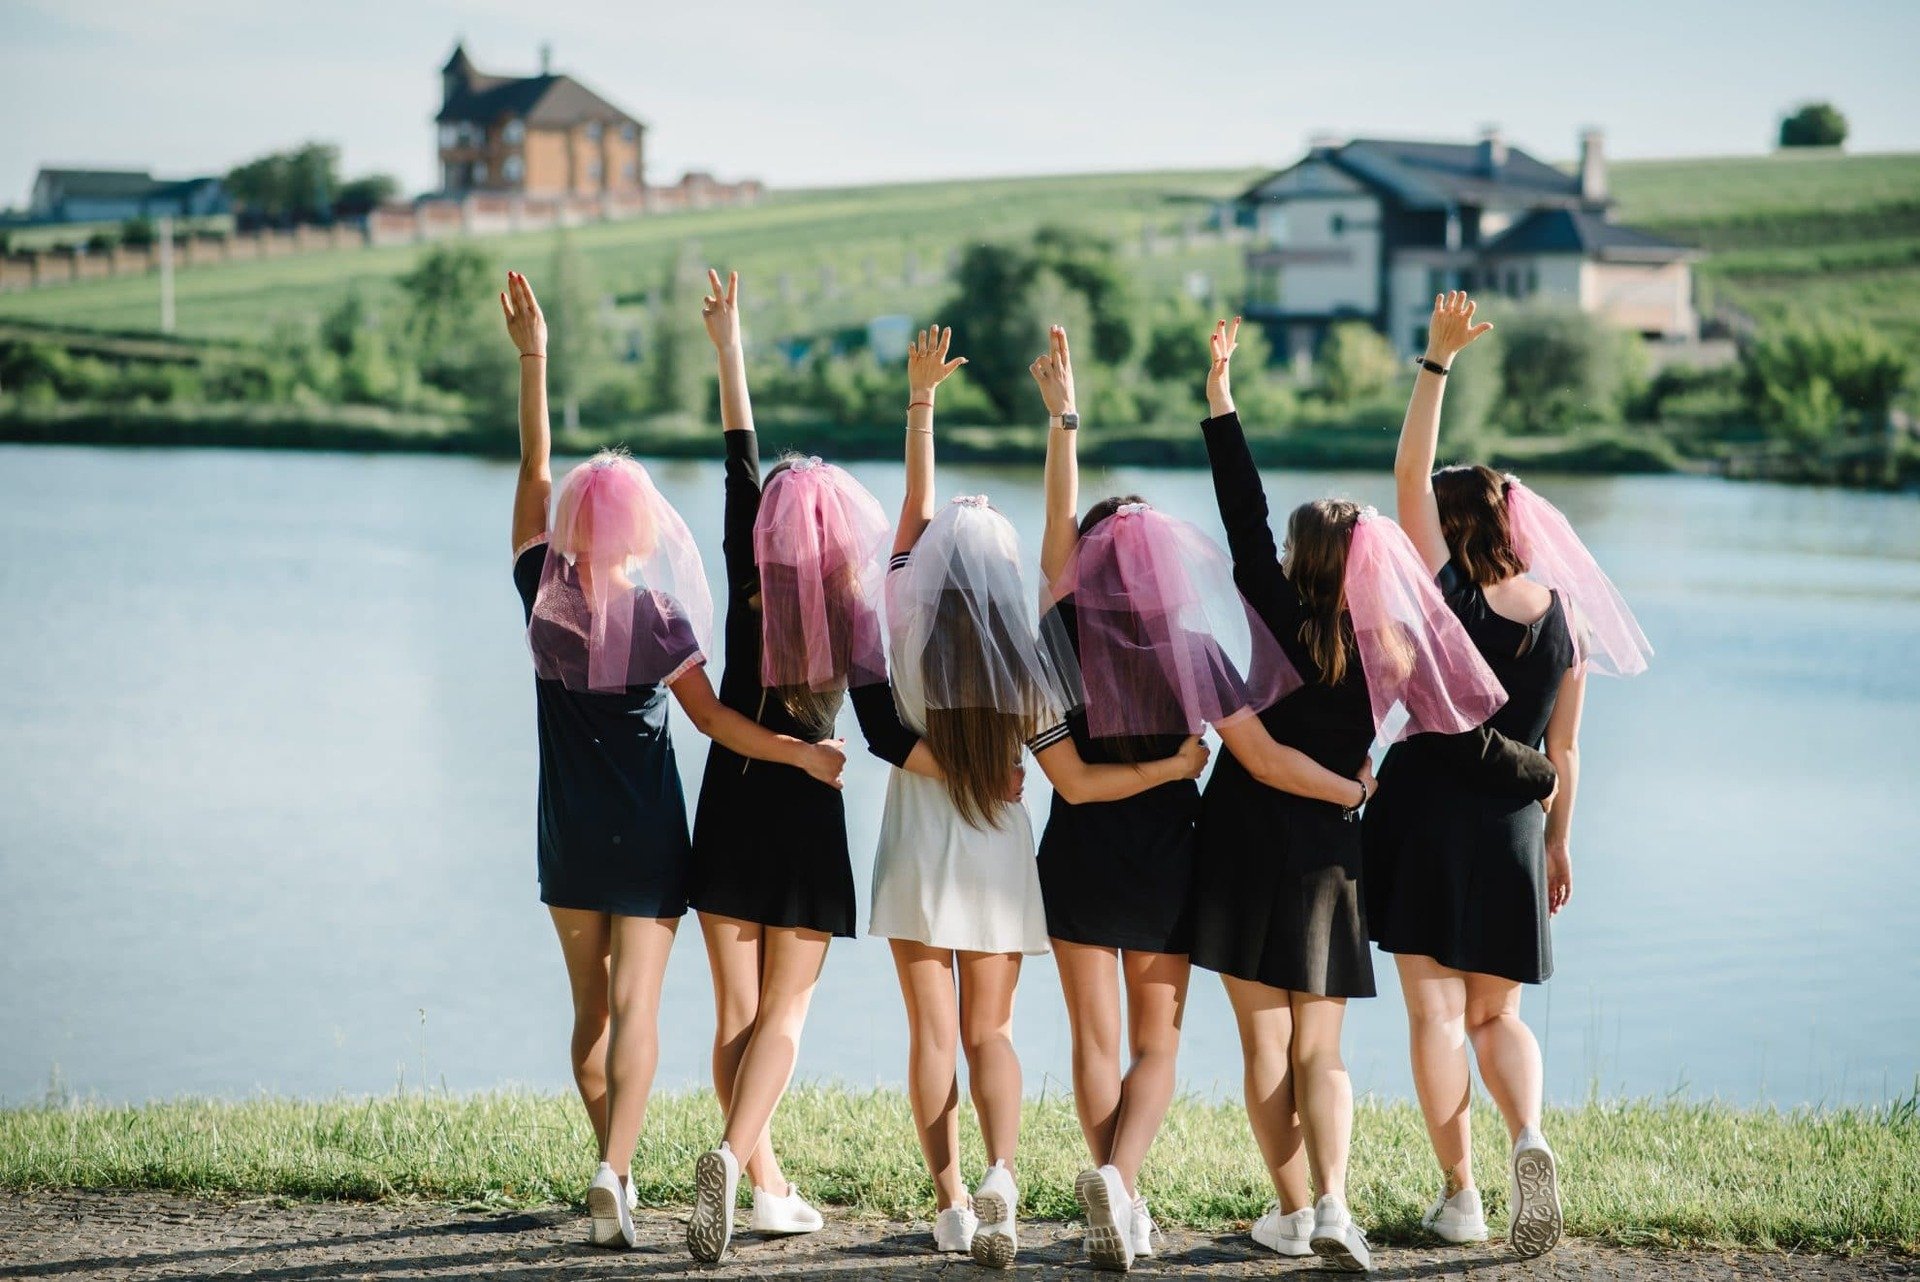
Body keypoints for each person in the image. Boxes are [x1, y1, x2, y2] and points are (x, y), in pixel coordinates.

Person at [1189, 316, 1555, 1273]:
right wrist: (1372, 778)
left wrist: (1221, 399)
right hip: (1328, 846)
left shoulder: (1270, 606)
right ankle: (1337, 1209)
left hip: (1239, 832)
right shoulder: (1392, 643)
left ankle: (1291, 1207)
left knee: (1263, 1047)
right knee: (1324, 1046)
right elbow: (1449, 721)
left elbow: (1241, 511)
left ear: (1299, 561)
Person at [498, 271, 844, 1252]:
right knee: (644, 1006)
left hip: (566, 839)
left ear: (569, 529)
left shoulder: (540, 595)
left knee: (593, 1013)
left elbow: (533, 466)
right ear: (642, 530)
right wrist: (801, 753)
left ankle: (616, 1170)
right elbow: (715, 724)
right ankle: (648, 1170)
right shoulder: (660, 619)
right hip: (651, 840)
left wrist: (536, 359)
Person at [1025, 325, 1372, 1272]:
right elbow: (1256, 753)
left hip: (1076, 858)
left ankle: (1116, 1198)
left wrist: (1065, 417)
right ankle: (1124, 1187)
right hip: (1170, 865)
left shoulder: (1054, 637)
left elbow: (1058, 541)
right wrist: (1345, 783)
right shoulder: (1200, 653)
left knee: (1094, 1044)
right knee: (1156, 1049)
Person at [870, 327, 1204, 1270]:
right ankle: (1007, 1177)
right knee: (994, 1032)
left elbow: (913, 510)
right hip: (998, 858)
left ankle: (951, 1207)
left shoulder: (900, 624)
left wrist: (921, 403)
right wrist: (1063, 417)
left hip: (913, 851)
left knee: (932, 1035)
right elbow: (1073, 778)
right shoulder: (1031, 662)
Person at [1365, 292, 1651, 1260]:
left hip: (1424, 816)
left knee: (1434, 1012)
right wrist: (1561, 840)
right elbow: (1564, 748)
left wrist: (1435, 364)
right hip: (1516, 828)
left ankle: (1463, 1196)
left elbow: (1405, 468)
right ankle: (1529, 1133)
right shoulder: (1562, 614)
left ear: (1446, 524)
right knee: (1498, 1013)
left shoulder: (1439, 588)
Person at [682, 271, 950, 1264]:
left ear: (762, 530)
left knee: (735, 1013)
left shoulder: (747, 576)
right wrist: (964, 775)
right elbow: (883, 734)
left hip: (726, 802)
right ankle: (735, 1158)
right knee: (785, 1012)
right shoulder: (854, 613)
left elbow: (737, 456)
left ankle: (761, 1180)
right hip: (804, 810)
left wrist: (730, 345)